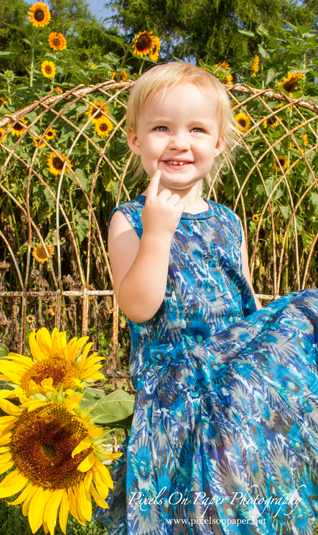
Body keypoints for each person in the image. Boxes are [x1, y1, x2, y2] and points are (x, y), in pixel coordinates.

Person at [97, 62, 318, 533]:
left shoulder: (228, 220)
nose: (179, 141)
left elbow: (246, 300)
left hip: (233, 375)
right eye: (162, 128)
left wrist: (259, 357)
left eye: (197, 129)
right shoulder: (129, 220)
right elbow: (137, 307)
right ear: (136, 140)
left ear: (218, 143)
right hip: (177, 379)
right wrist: (158, 234)